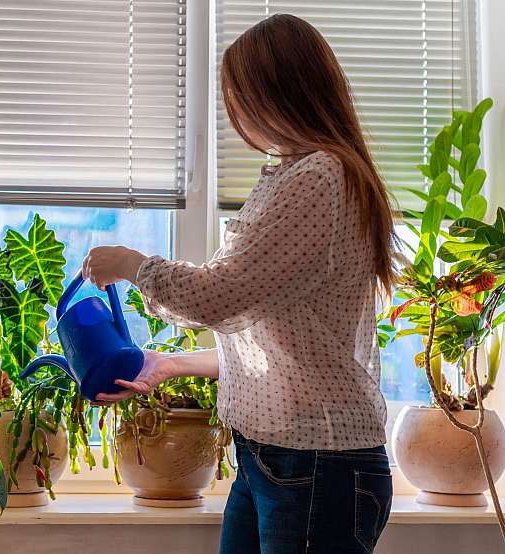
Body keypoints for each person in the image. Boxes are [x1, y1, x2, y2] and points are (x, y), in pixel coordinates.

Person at [82, 14, 397, 554]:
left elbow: (218, 297)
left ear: (277, 94)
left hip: (315, 465)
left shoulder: (319, 179)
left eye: (237, 98)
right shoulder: (303, 176)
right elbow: (287, 342)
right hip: (278, 460)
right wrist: (174, 364)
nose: (234, 117)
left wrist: (132, 264)